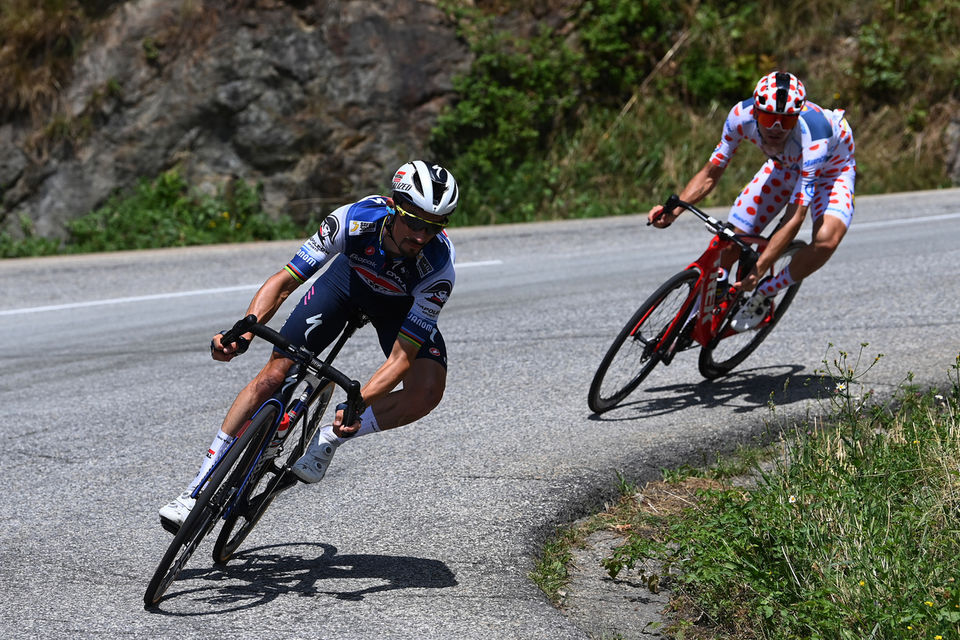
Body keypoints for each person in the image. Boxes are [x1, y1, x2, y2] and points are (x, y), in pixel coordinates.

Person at [159, 160, 459, 532]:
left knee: (427, 391)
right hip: (345, 285)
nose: (421, 235)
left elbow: (401, 359)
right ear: (394, 207)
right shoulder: (352, 221)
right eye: (414, 221)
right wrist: (246, 329)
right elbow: (285, 281)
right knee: (272, 376)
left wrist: (358, 403)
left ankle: (329, 435)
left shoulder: (438, 268)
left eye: (434, 226)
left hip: (399, 305)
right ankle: (194, 492)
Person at [647, 70, 856, 331]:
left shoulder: (815, 137)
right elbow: (711, 173)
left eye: (786, 121)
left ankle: (768, 291)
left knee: (827, 239)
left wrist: (761, 267)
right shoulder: (739, 117)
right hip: (782, 167)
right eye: (769, 118)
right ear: (756, 111)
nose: (776, 128)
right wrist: (673, 211)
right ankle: (697, 318)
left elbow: (795, 216)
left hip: (830, 172)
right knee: (733, 242)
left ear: (797, 116)